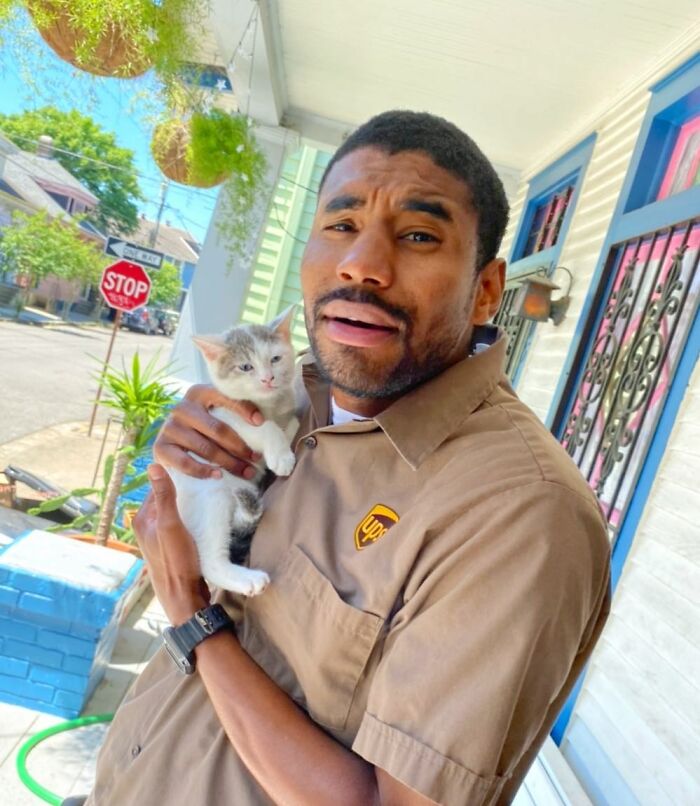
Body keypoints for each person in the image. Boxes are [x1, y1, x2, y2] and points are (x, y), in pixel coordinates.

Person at [82, 110, 610, 806]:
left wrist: (191, 615)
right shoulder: (295, 397)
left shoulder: (519, 514)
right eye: (339, 226)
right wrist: (186, 480)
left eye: (419, 235)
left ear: (485, 290)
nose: (362, 263)